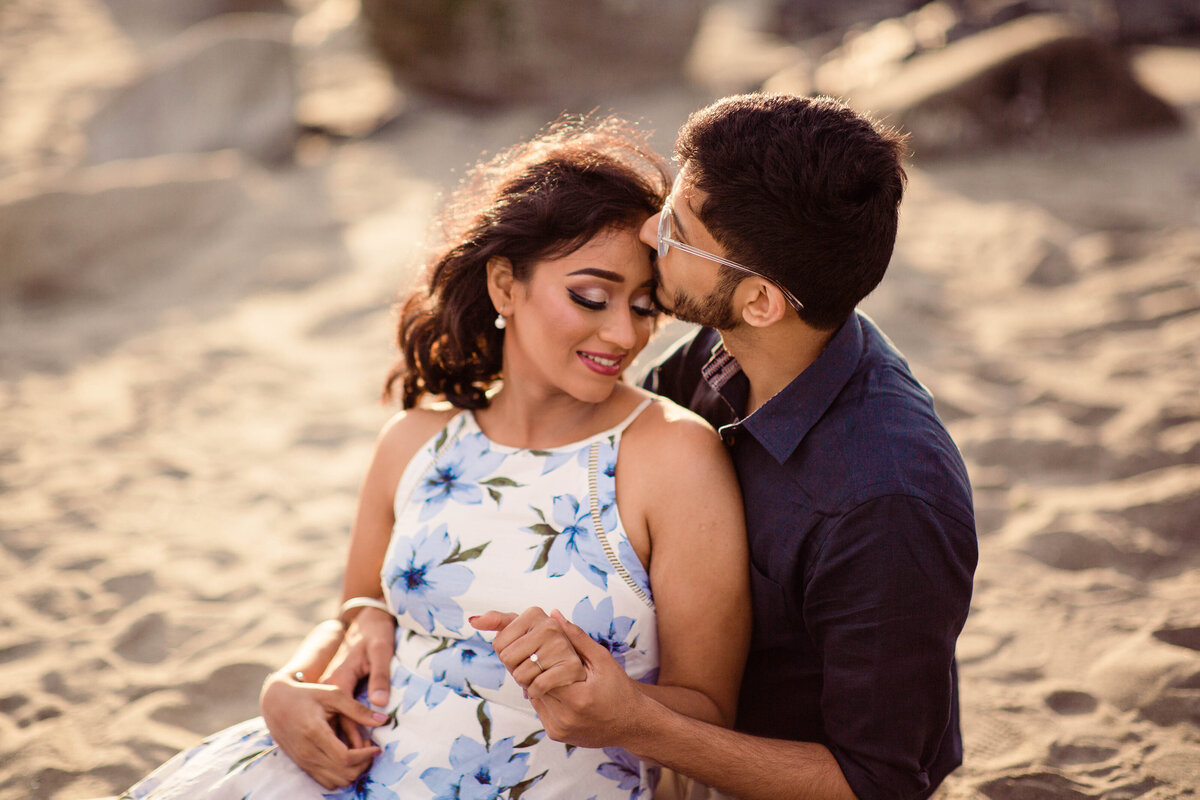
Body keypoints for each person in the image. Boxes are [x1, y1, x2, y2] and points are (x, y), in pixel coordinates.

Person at [119, 116, 751, 799]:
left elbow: (711, 713)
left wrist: (613, 699)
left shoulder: (673, 455)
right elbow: (359, 611)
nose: (624, 333)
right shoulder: (414, 443)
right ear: (505, 284)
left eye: (645, 305)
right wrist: (286, 688)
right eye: (590, 297)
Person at [477, 93, 979, 800]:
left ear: (761, 302)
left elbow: (878, 784)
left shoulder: (887, 503)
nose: (650, 232)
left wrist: (638, 724)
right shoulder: (722, 352)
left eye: (677, 232)